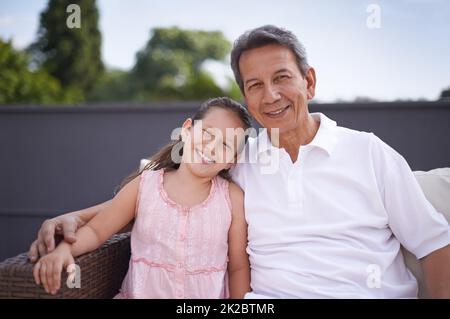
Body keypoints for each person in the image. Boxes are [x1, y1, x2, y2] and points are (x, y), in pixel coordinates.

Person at [29, 26, 450, 298]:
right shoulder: (237, 157)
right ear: (246, 98)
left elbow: (434, 244)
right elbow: (155, 193)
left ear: (309, 81)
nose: (270, 95)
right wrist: (73, 219)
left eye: (282, 78)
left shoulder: (368, 152)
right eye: (255, 85)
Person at [32, 97, 252, 298]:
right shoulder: (145, 186)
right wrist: (64, 250)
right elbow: (96, 231)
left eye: (225, 144)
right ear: (186, 130)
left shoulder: (231, 198)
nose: (211, 146)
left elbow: (238, 267)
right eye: (207, 133)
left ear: (232, 160)